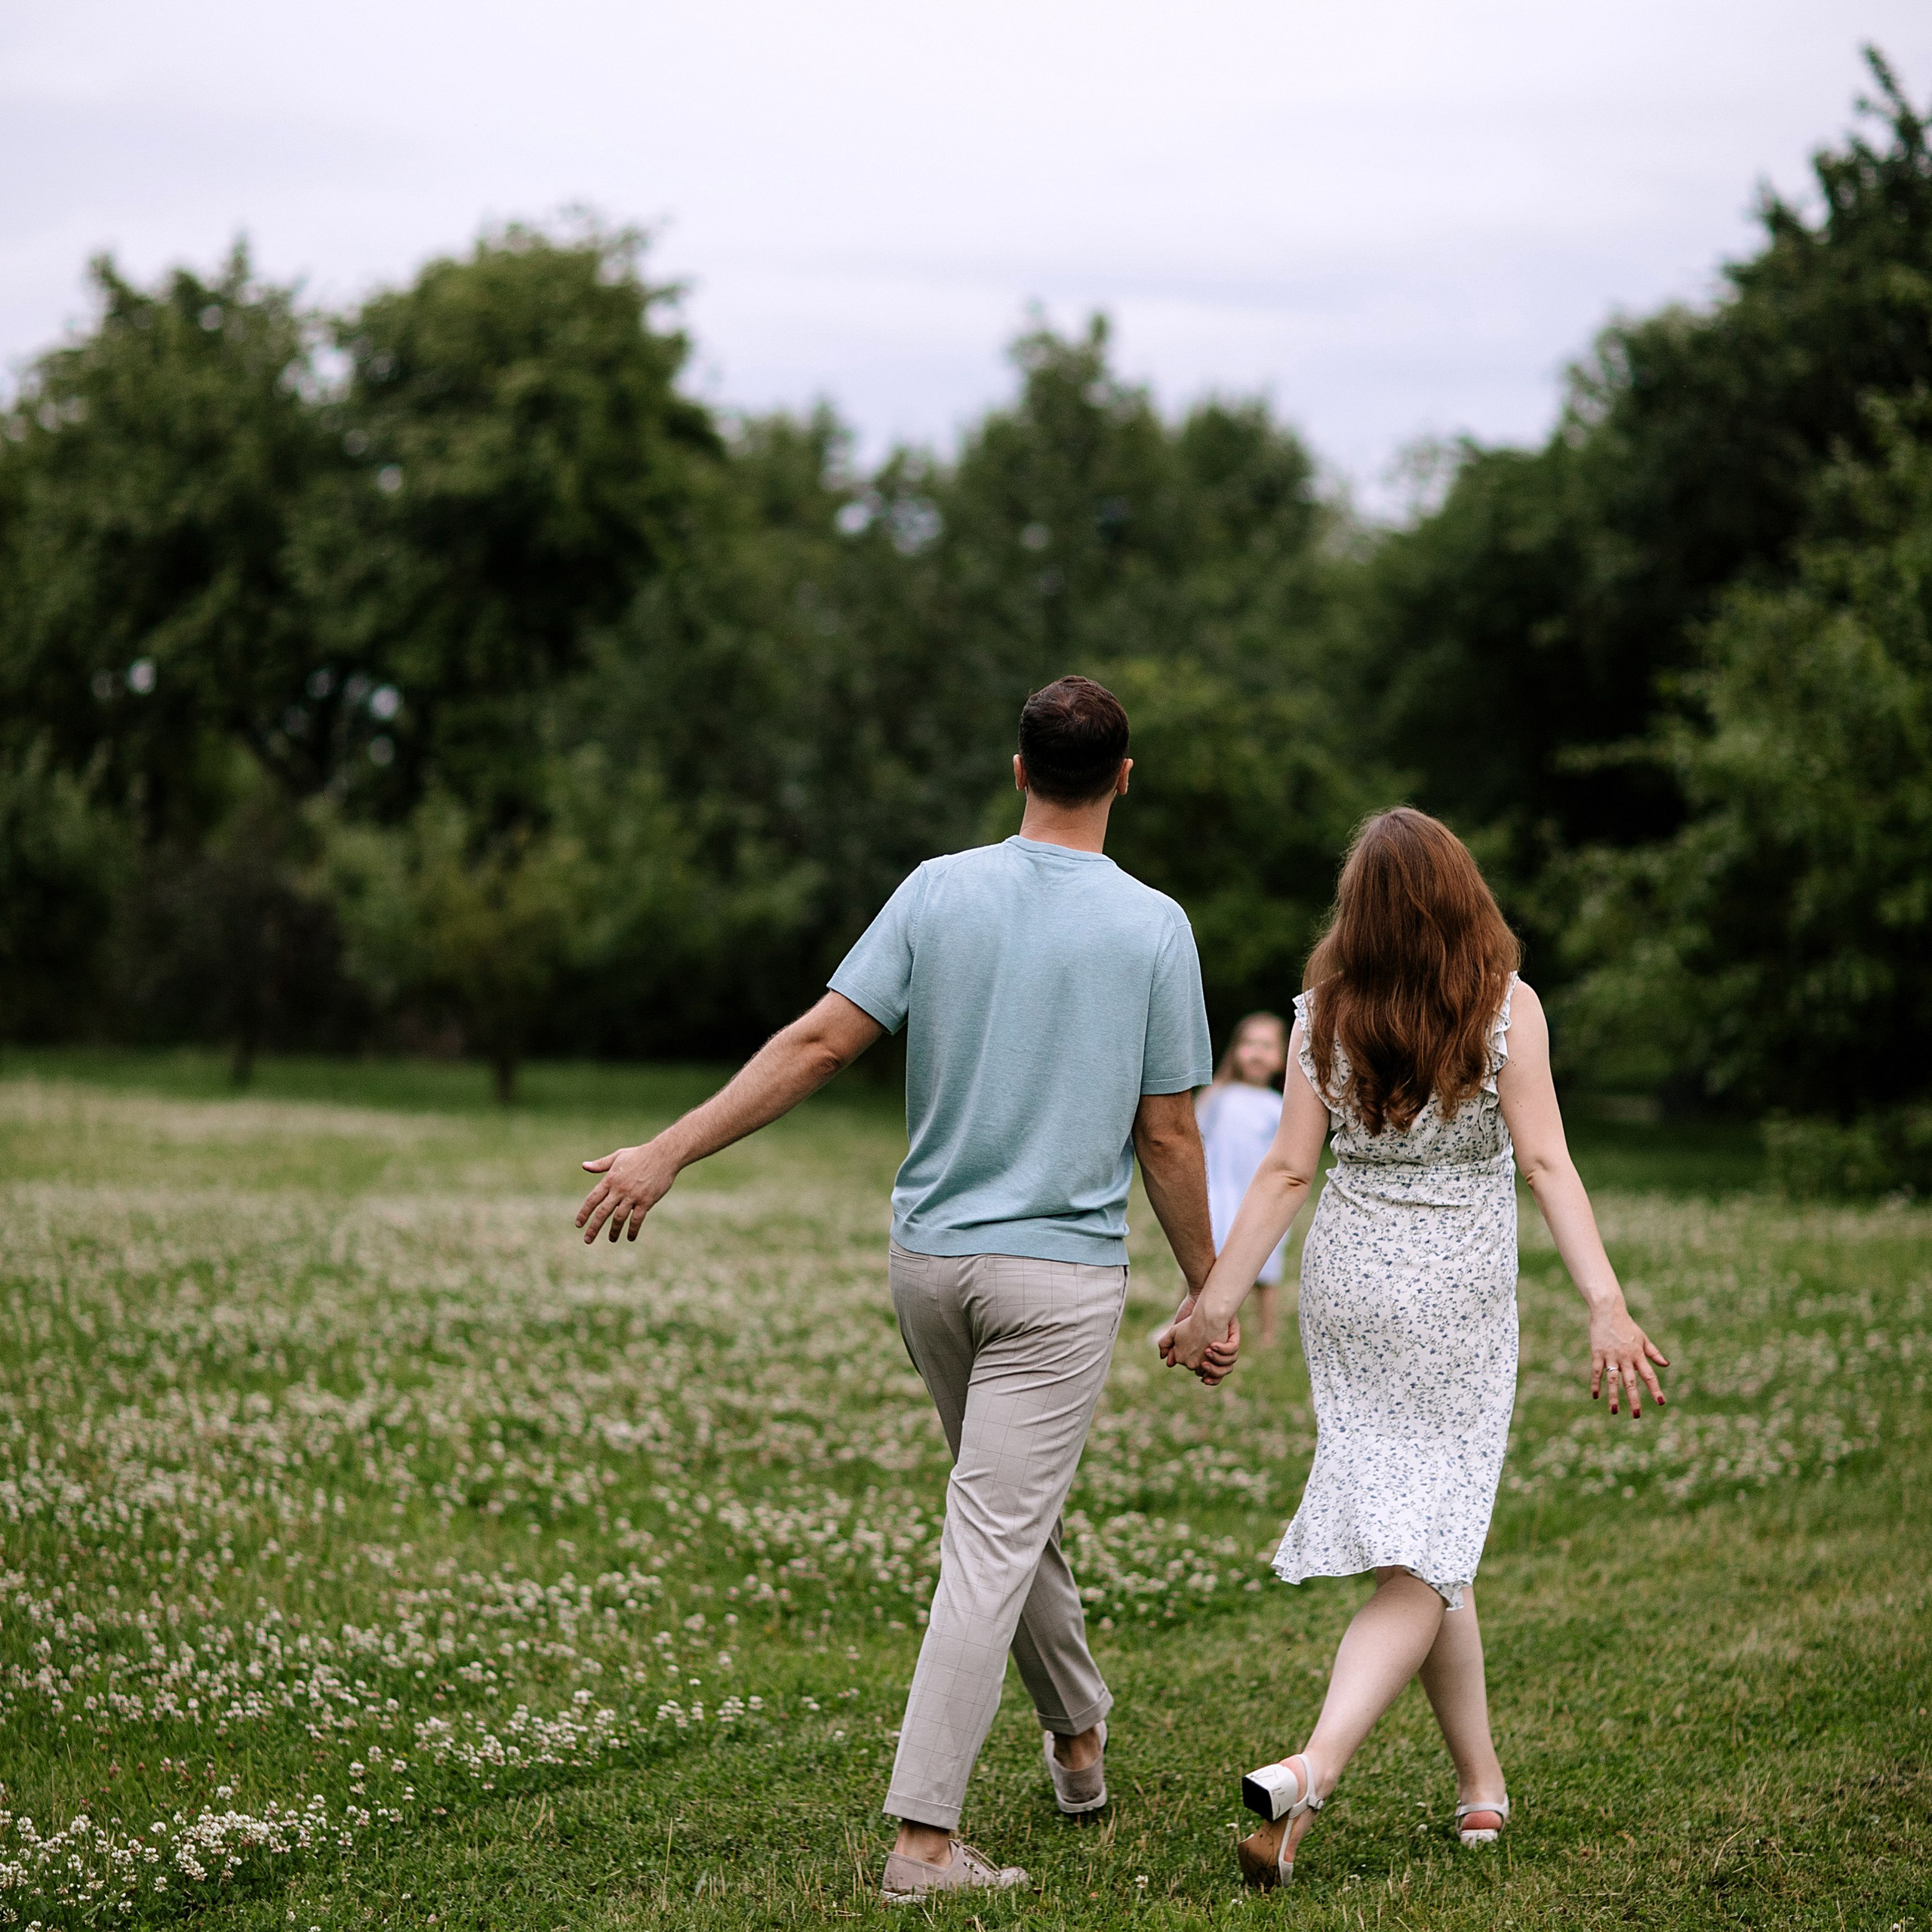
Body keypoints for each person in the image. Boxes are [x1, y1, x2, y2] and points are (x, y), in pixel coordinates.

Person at [574, 676, 1235, 1901]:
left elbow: (822, 1041)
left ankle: (1078, 1736)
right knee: (992, 1536)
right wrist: (1211, 1286)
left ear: (1018, 767)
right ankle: (925, 1843)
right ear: (1125, 779)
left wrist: (669, 1150)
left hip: (928, 1268)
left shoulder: (938, 890)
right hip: (1058, 1277)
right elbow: (1172, 1136)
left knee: (1001, 1514)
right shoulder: (1155, 926)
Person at [1160, 807, 1669, 1888]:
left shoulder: (1317, 1014)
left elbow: (1288, 1173)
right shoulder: (1503, 1008)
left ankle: (1480, 1785)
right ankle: (1314, 1769)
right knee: (1431, 1534)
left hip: (1350, 1285)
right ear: (1458, 897)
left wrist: (1213, 1301)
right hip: (1454, 1299)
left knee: (1428, 1537)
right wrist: (1606, 1301)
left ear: (1362, 913)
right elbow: (1546, 1163)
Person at [1196, 1012, 1292, 1344]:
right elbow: (1197, 1141)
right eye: (1249, 1043)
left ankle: (1267, 1333)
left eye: (1266, 1046)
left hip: (1259, 1196)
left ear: (1281, 1058)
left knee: (1265, 1265)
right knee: (1207, 1261)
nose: (1256, 1052)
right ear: (1235, 1050)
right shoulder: (1218, 1097)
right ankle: (1193, 1318)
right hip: (1220, 1192)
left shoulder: (1279, 1105)